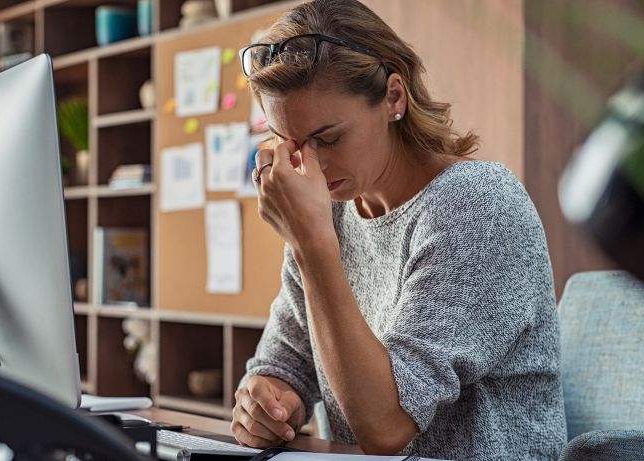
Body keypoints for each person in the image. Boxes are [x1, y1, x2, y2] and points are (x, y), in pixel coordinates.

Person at [230, 1, 567, 460]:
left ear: (394, 97)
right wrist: (267, 402)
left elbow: (386, 427)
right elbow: (286, 362)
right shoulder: (330, 213)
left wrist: (311, 245)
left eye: (328, 139)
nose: (310, 166)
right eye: (290, 142)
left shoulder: (477, 205)